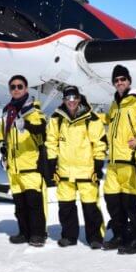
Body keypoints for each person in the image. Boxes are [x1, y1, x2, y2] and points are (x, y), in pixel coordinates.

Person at [46, 86, 108, 249]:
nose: (71, 101)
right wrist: (52, 164)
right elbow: (51, 142)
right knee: (66, 207)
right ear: (64, 100)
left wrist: (98, 164)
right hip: (64, 171)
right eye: (68, 98)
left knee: (91, 207)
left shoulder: (91, 119)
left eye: (74, 98)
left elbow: (99, 142)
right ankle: (69, 236)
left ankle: (95, 237)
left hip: (86, 172)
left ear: (79, 99)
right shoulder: (56, 119)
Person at [103, 65, 136, 254]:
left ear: (129, 80)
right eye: (116, 80)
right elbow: (110, 123)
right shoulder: (115, 104)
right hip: (114, 162)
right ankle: (119, 235)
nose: (120, 83)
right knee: (113, 201)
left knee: (133, 204)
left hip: (131, 161)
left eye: (123, 79)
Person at [0, 75, 49, 247]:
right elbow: (2, 132)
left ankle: (38, 234)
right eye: (13, 87)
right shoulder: (7, 110)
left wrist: (26, 125)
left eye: (20, 86)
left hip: (30, 165)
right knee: (20, 205)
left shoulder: (33, 109)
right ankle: (24, 232)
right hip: (13, 166)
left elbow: (42, 129)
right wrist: (1, 144)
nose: (16, 89)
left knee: (34, 204)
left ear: (26, 88)